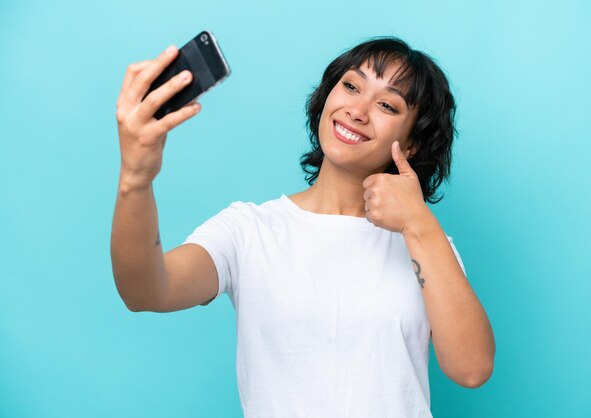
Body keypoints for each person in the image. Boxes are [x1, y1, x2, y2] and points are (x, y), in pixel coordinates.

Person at [111, 36, 496, 418]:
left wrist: (418, 225)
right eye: (350, 86)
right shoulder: (249, 230)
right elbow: (146, 291)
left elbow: (471, 369)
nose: (357, 110)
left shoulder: (425, 244)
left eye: (386, 104)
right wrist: (135, 178)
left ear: (411, 144)